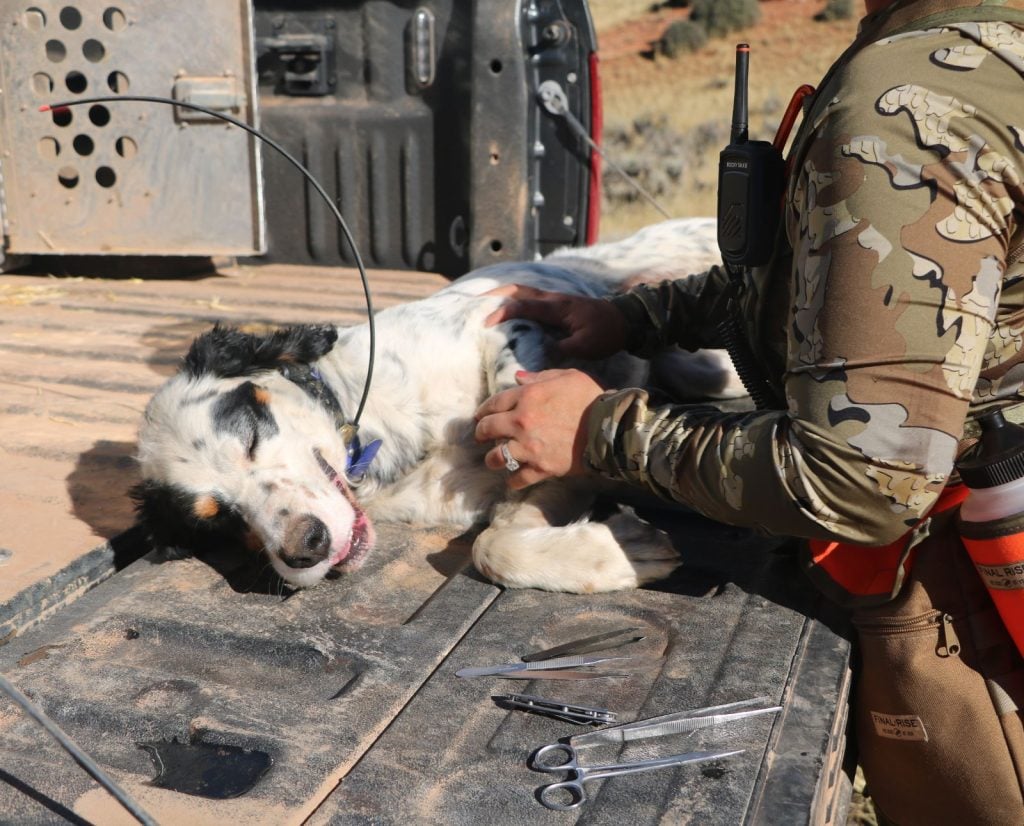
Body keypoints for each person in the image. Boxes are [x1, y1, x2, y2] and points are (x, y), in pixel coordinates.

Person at [474, 1, 1024, 822]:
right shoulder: (973, 55)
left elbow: (865, 482)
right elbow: (819, 279)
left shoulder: (905, 96)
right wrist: (635, 319)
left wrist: (599, 433)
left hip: (965, 612)